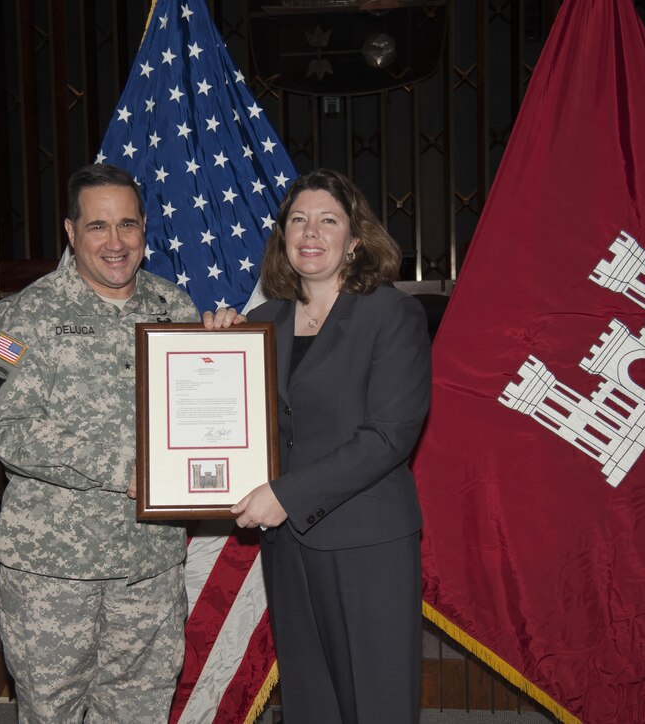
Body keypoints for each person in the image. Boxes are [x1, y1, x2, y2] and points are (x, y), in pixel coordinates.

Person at [0, 163, 199, 723]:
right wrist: (121, 467)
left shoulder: (178, 310)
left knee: (140, 711)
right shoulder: (24, 316)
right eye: (98, 227)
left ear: (146, 227)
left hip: (149, 564)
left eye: (128, 224)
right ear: (71, 233)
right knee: (53, 712)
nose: (115, 242)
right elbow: (7, 425)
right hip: (53, 570)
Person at [206, 168, 431, 722]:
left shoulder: (392, 314)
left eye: (328, 220)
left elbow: (388, 435)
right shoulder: (261, 321)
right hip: (288, 547)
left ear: (355, 240)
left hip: (366, 541)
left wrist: (285, 495)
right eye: (298, 220)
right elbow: (238, 420)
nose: (311, 232)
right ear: (282, 238)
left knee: (375, 700)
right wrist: (211, 351)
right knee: (310, 698)